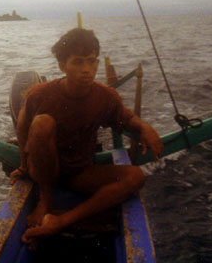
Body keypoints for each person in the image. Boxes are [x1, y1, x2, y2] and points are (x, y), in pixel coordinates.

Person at [9, 27, 163, 245]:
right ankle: (46, 200)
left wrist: (145, 127)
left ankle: (61, 221)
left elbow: (126, 119)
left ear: (98, 64)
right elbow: (23, 127)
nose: (86, 70)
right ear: (63, 66)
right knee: (42, 122)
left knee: (136, 177)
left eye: (91, 62)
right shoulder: (40, 94)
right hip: (45, 170)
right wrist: (25, 166)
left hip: (80, 172)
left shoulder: (105, 97)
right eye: (78, 62)